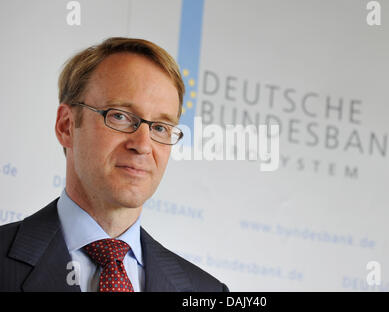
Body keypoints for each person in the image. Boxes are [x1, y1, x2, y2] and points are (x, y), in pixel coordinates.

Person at [0, 37, 229, 292]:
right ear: (66, 126)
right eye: (120, 116)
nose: (142, 145)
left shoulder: (206, 291)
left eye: (161, 127)